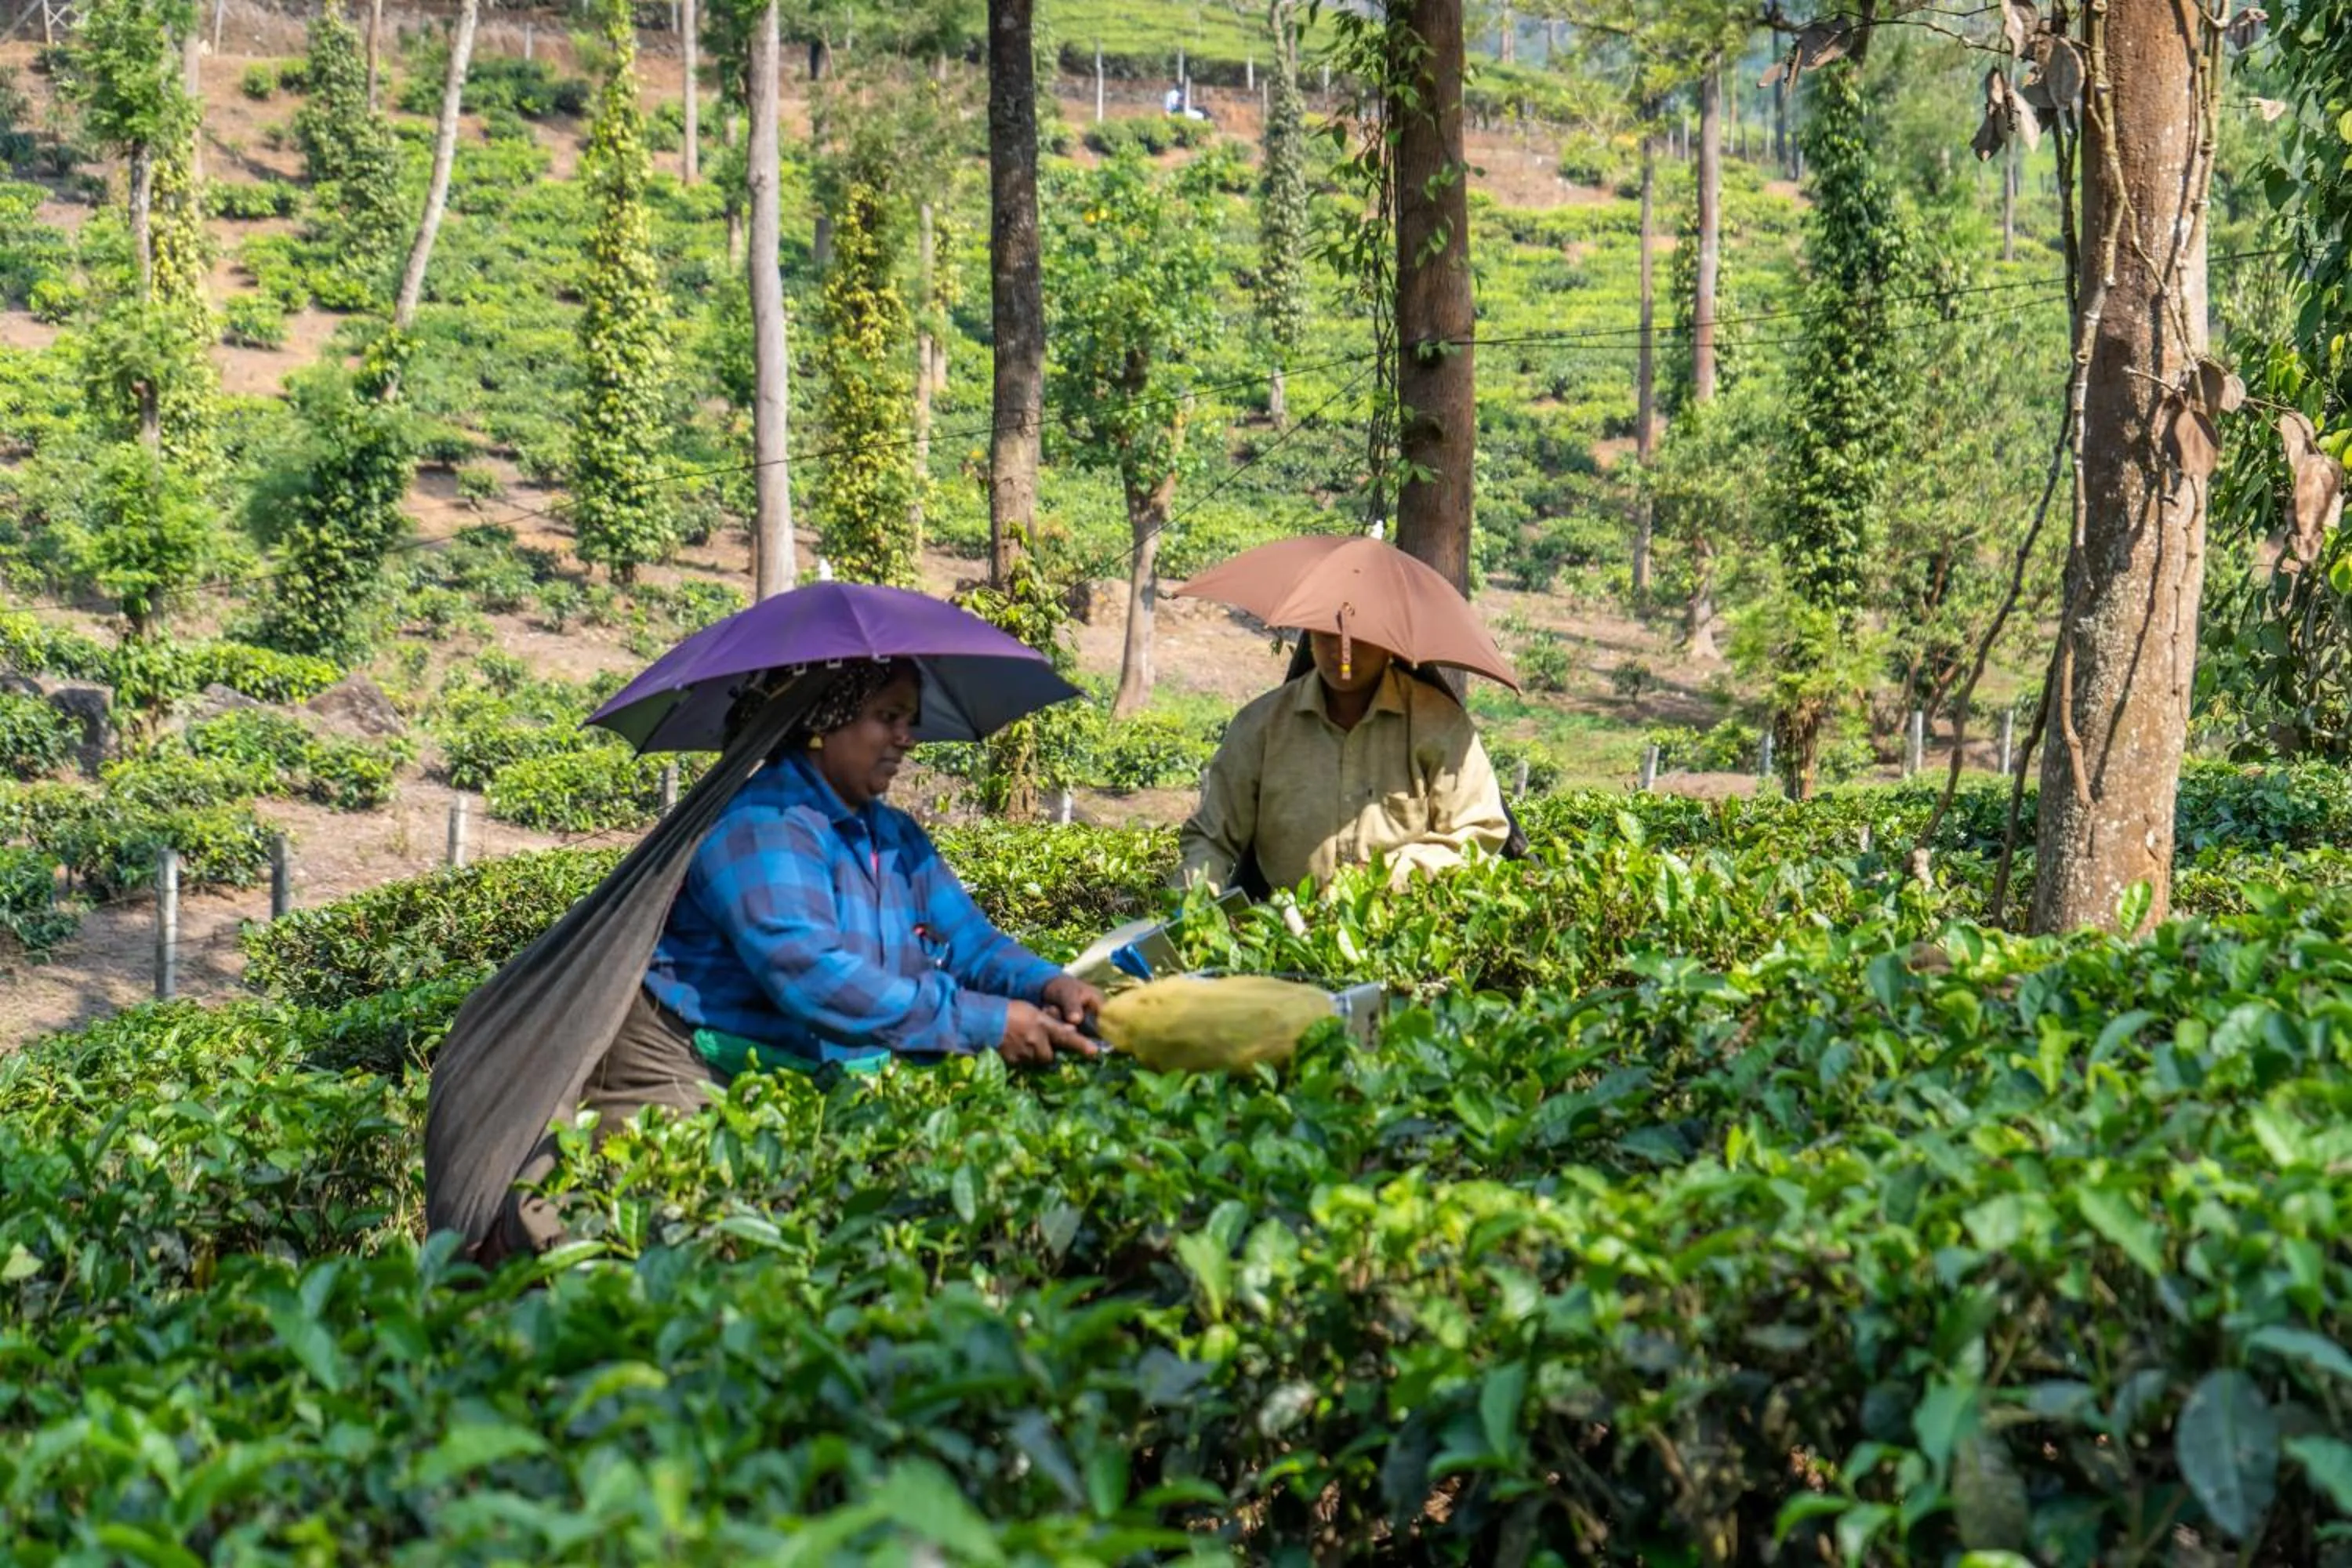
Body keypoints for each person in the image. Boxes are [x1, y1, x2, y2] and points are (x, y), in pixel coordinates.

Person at [625, 657, 1103, 1103]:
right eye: (888, 717)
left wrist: (1047, 985)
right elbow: (810, 976)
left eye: (909, 720)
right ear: (823, 721)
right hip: (690, 1075)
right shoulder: (764, 825)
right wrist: (982, 1022)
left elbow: (969, 943)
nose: (906, 738)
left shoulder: (894, 834)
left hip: (802, 1075)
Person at [1178, 631, 1512, 897]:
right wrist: (1193, 909)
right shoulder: (1261, 725)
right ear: (1310, 635)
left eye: (1360, 635)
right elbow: (1211, 837)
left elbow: (1478, 832)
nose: (1343, 651)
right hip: (1285, 934)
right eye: (1328, 633)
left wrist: (1385, 879)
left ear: (1390, 641)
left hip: (1408, 932)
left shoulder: (1440, 725)